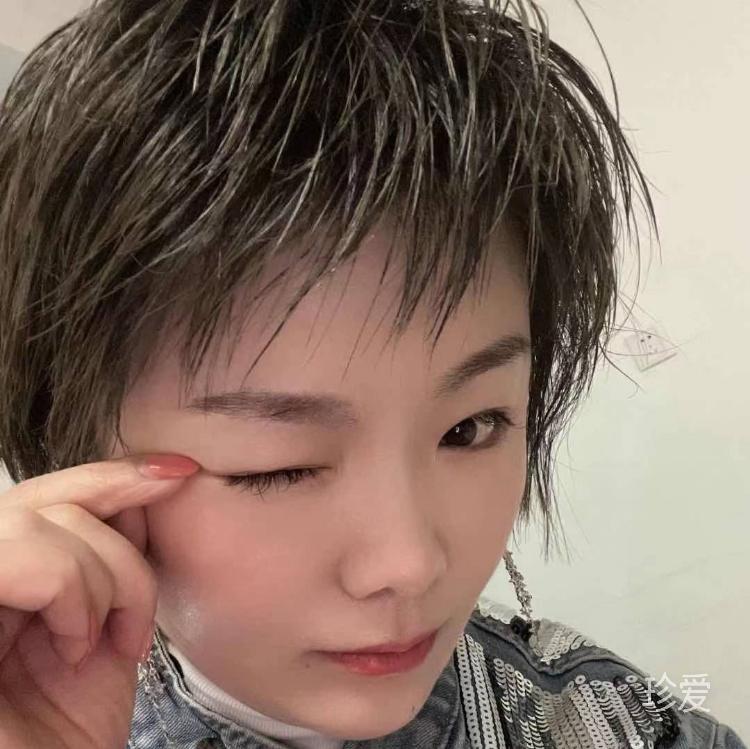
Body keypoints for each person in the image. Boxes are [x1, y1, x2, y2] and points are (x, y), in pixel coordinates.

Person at [0, 0, 745, 747]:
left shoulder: (625, 724)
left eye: (471, 428)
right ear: (70, 449)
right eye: (280, 468)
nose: (409, 564)